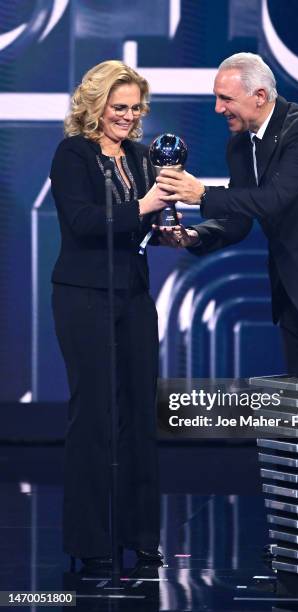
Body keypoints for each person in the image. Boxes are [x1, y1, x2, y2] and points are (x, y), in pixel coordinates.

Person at [156, 52, 298, 378]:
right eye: (216, 98)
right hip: (294, 289)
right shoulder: (239, 144)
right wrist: (194, 236)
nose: (218, 109)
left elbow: (274, 199)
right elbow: (237, 219)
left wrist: (203, 194)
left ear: (260, 96)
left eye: (226, 99)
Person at [50, 60, 166, 570]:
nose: (128, 116)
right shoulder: (72, 154)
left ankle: (140, 534)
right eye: (118, 107)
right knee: (96, 416)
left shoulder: (141, 157)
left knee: (141, 414)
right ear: (95, 106)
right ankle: (91, 541)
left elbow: (139, 227)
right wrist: (144, 207)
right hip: (84, 296)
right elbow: (82, 221)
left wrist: (168, 230)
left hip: (134, 296)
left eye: (135, 107)